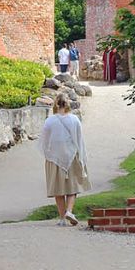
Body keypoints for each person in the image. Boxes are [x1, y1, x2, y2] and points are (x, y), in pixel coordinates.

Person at [37, 93, 89, 226]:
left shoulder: (49, 121)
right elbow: (79, 139)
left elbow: (44, 141)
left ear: (55, 104)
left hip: (54, 157)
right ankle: (69, 211)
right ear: (67, 104)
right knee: (73, 186)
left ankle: (61, 218)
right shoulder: (74, 119)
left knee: (58, 189)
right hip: (71, 155)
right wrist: (82, 157)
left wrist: (49, 153)